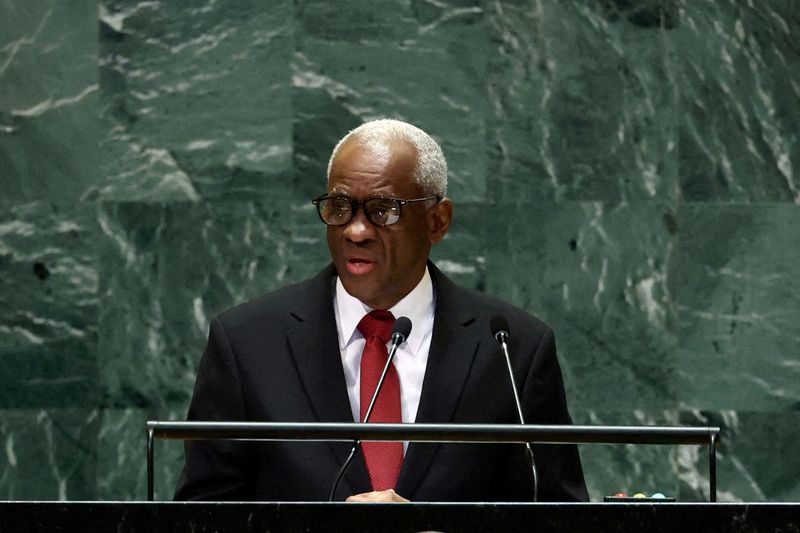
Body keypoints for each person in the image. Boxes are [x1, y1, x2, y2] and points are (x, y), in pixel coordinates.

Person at [174, 119, 588, 502]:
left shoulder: (512, 349)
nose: (355, 231)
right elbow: (201, 518)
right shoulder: (249, 343)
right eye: (339, 207)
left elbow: (557, 517)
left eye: (382, 211)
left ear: (437, 221)